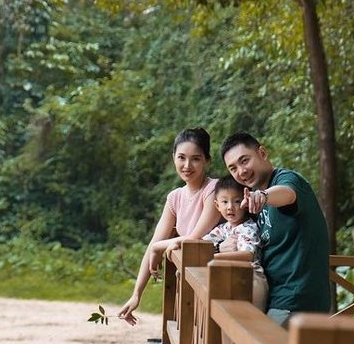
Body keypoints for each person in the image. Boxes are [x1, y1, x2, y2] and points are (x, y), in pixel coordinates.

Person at [220, 132, 330, 327]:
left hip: (295, 298)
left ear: (262, 153)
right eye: (233, 168)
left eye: (244, 161)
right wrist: (224, 245)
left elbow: (287, 194)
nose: (241, 171)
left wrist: (263, 196)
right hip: (271, 297)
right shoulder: (249, 201)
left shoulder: (287, 179)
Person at [118, 128, 221, 325]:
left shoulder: (214, 190)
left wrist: (159, 247)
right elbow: (154, 242)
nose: (187, 165)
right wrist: (136, 294)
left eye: (196, 159)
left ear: (207, 160)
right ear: (173, 157)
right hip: (190, 282)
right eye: (181, 157)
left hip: (214, 282)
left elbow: (194, 237)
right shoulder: (175, 197)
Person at [202, 175, 268, 310]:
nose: (230, 207)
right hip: (229, 275)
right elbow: (203, 245)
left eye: (237, 201)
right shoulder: (222, 229)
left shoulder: (248, 227)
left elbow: (247, 255)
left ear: (246, 203)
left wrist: (213, 257)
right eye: (225, 202)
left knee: (249, 320)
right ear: (217, 205)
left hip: (251, 277)